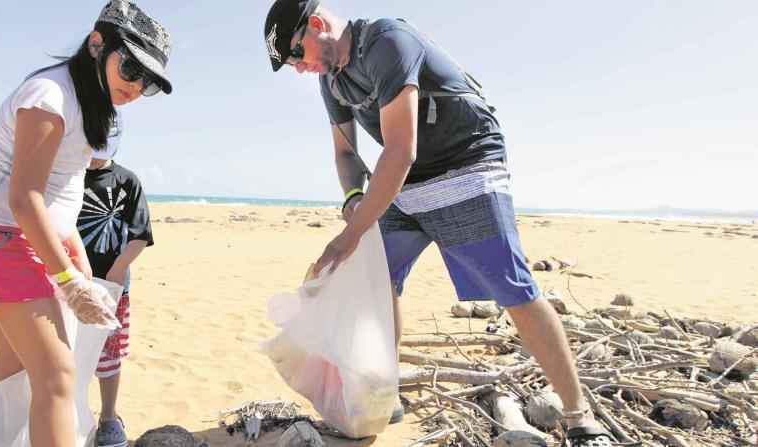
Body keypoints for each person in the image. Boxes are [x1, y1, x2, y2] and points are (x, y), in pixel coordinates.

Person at [263, 1, 613, 445]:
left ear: (315, 25)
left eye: (296, 55)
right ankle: (383, 394)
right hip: (406, 183)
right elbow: (346, 154)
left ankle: (581, 418)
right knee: (376, 278)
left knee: (514, 290)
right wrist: (353, 198)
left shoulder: (388, 41)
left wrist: (348, 237)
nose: (299, 68)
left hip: (465, 166)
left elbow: (399, 150)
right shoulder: (331, 80)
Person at [0, 0, 172, 444]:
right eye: (131, 68)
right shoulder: (49, 95)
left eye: (147, 81)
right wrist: (69, 281)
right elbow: (25, 199)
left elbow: (62, 192)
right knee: (57, 375)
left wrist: (80, 263)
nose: (136, 84)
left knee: (10, 369)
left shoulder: (93, 107)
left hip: (23, 239)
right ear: (96, 45)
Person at [76, 120, 154, 447]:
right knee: (69, 352)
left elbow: (140, 235)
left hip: (110, 288)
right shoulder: (67, 175)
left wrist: (119, 268)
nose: (93, 157)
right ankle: (71, 412)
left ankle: (108, 416)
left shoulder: (127, 181)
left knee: (108, 356)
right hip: (70, 284)